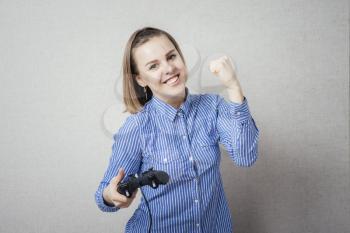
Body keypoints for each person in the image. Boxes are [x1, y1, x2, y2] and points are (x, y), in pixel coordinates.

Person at [94, 26, 260, 233]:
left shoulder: (213, 107)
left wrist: (234, 87)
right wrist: (110, 196)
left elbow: (246, 157)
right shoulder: (136, 128)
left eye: (171, 56)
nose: (169, 68)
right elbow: (104, 195)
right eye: (153, 66)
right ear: (141, 79)